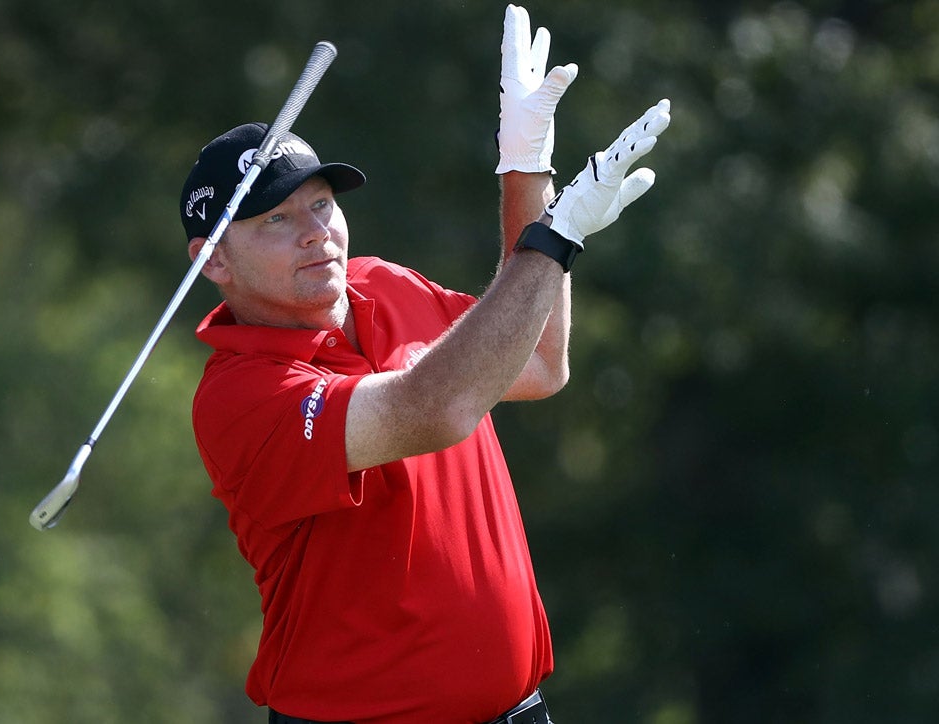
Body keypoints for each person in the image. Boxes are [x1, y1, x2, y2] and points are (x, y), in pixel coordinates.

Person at [178, 5, 670, 723]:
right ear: (214, 259)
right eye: (277, 219)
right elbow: (435, 408)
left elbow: (536, 358)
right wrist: (555, 237)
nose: (317, 233)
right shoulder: (240, 396)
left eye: (322, 204)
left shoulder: (385, 283)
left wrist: (524, 168)